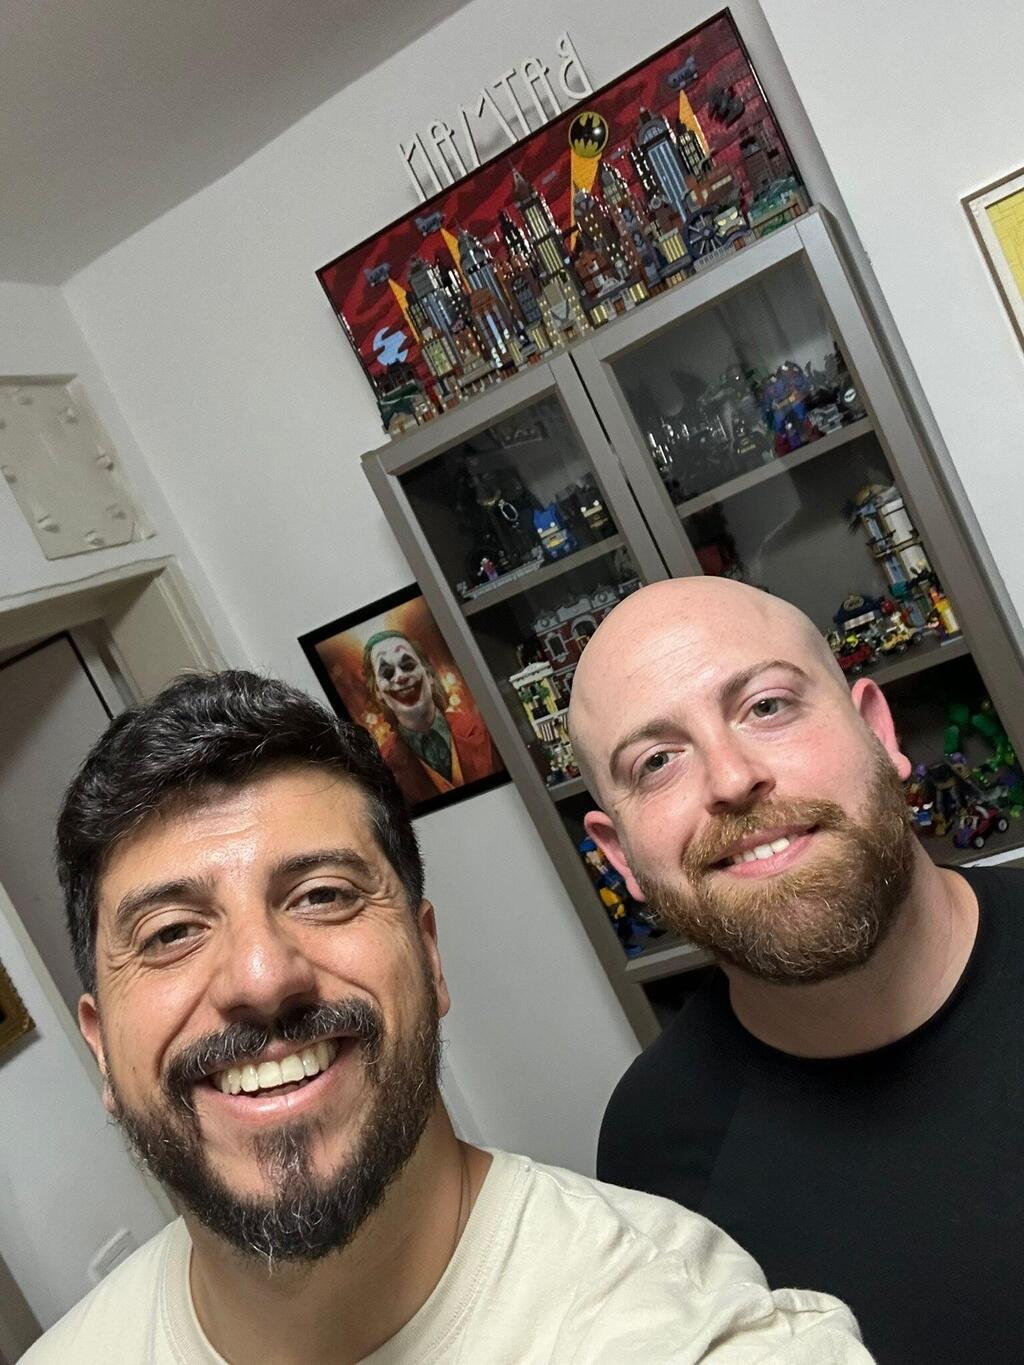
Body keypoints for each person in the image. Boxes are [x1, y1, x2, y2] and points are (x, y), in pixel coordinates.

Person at [26, 670, 870, 1364]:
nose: (260, 975)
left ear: (429, 961)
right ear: (100, 1047)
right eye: (170, 932)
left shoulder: (683, 1329)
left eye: (322, 895)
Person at [568, 576, 1024, 1364]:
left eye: (767, 706)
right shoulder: (655, 1142)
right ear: (621, 857)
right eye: (657, 761)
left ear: (879, 731)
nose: (731, 777)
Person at [363, 631, 498, 804]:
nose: (400, 677)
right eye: (387, 672)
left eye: (407, 665)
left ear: (429, 675)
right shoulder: (382, 769)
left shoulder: (484, 725)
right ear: (378, 692)